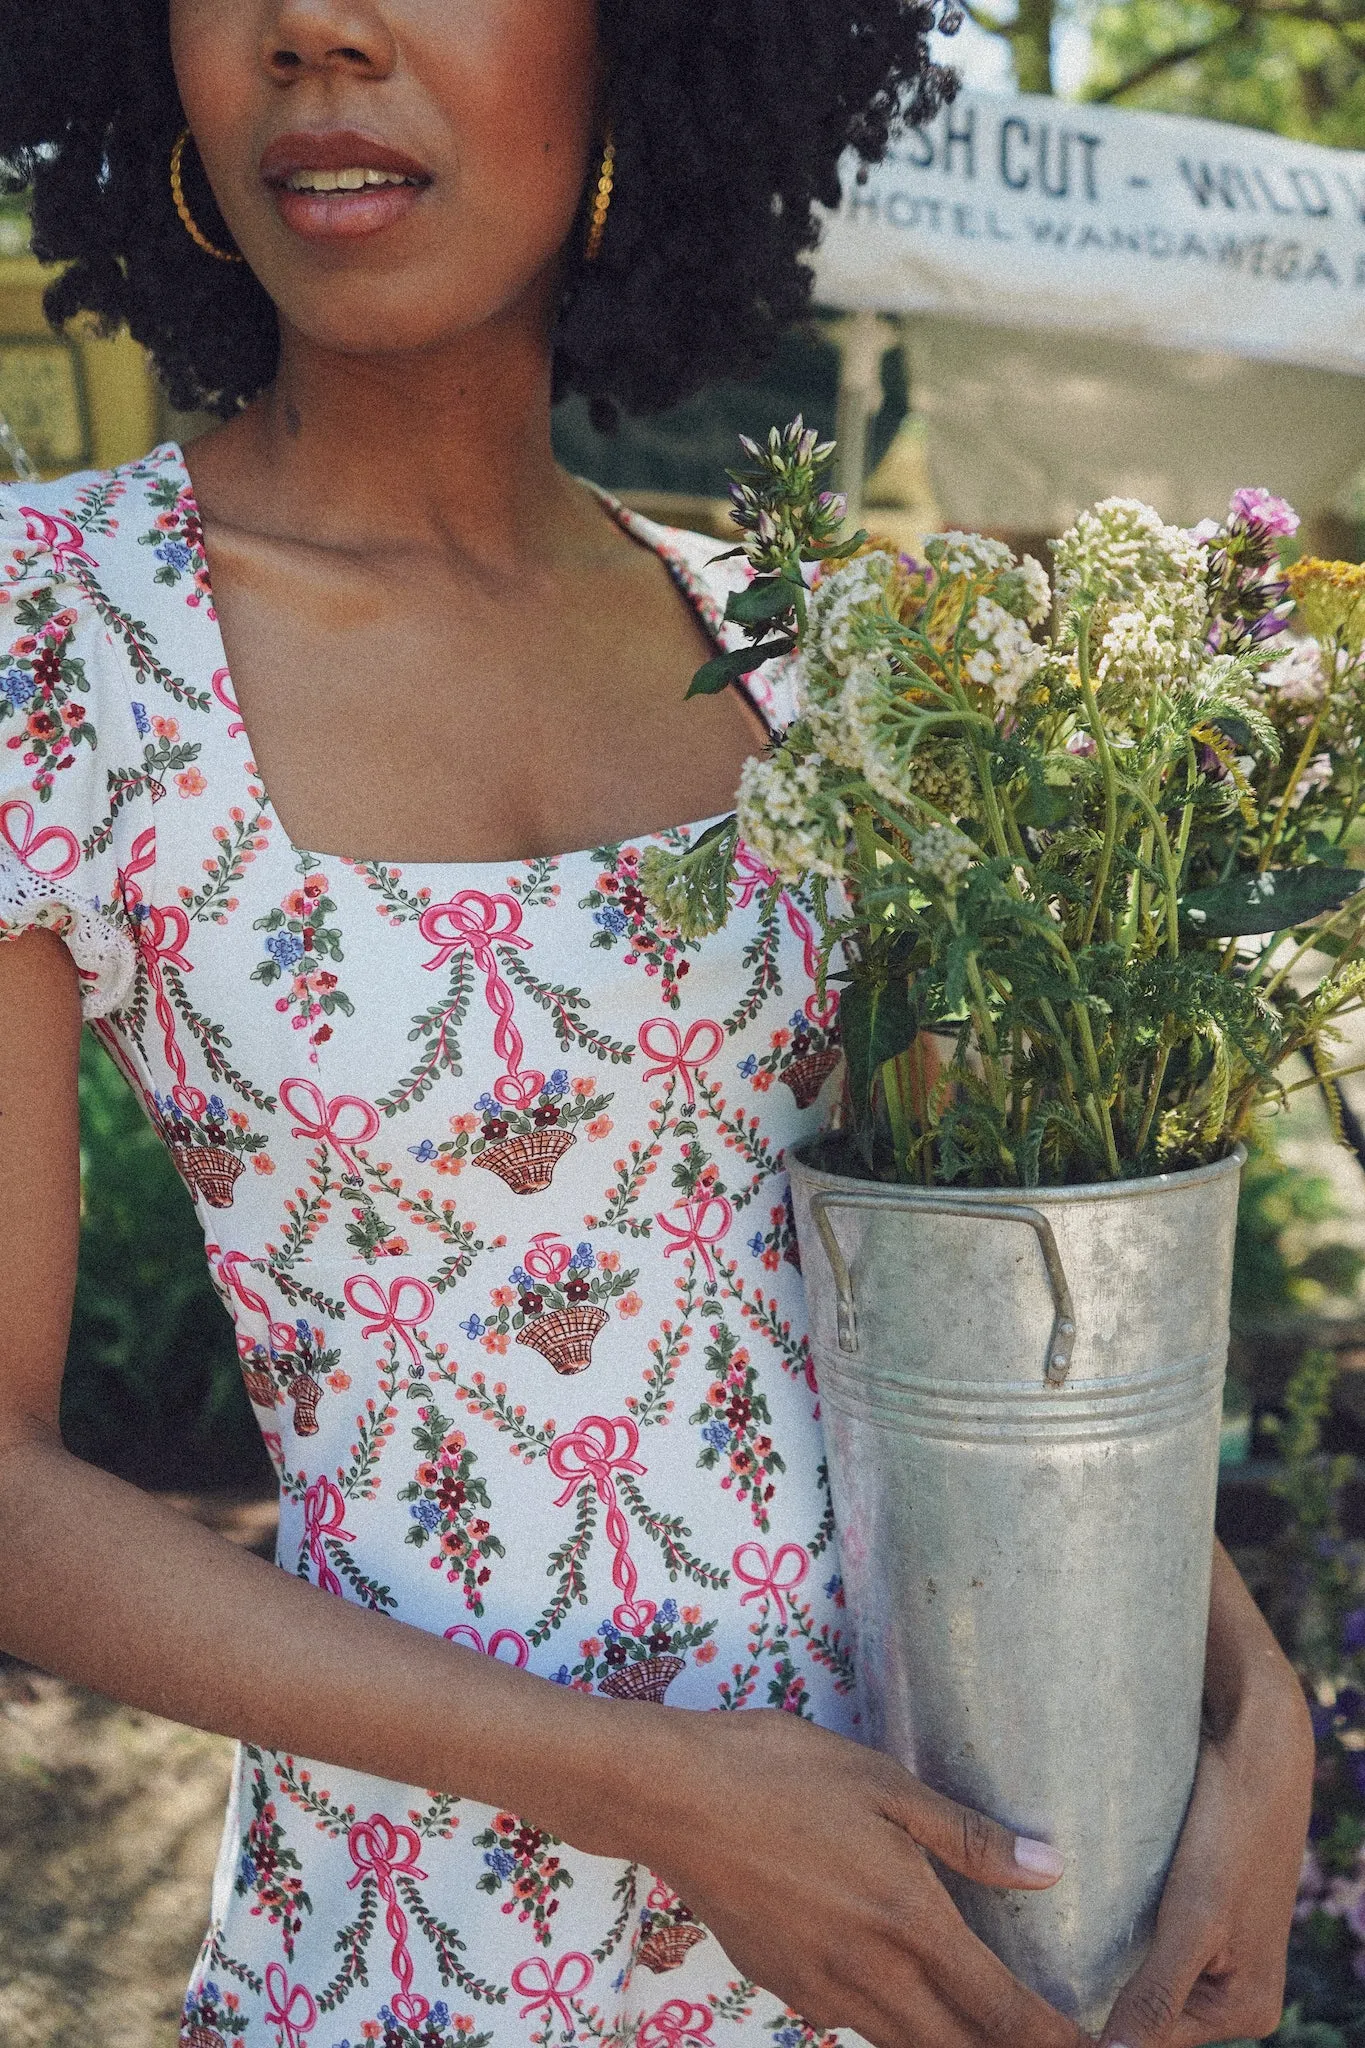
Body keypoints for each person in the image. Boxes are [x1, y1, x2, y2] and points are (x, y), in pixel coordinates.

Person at [0, 5, 1313, 2046]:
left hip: (943, 1948)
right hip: (415, 1969)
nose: (311, 30)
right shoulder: (53, 647)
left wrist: (1246, 1708)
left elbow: (977, 1300)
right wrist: (662, 1795)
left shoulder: (818, 663)